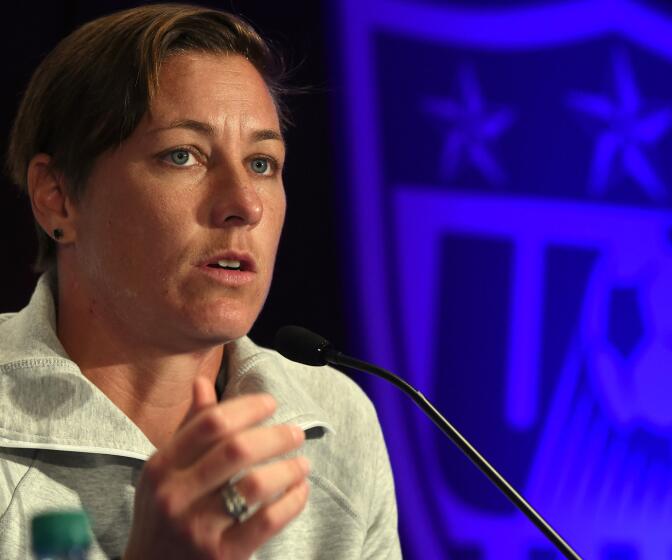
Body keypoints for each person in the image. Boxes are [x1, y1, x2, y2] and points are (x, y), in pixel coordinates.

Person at [0, 4, 400, 559]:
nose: (243, 205)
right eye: (182, 155)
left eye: (263, 163)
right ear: (58, 197)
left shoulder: (332, 421)